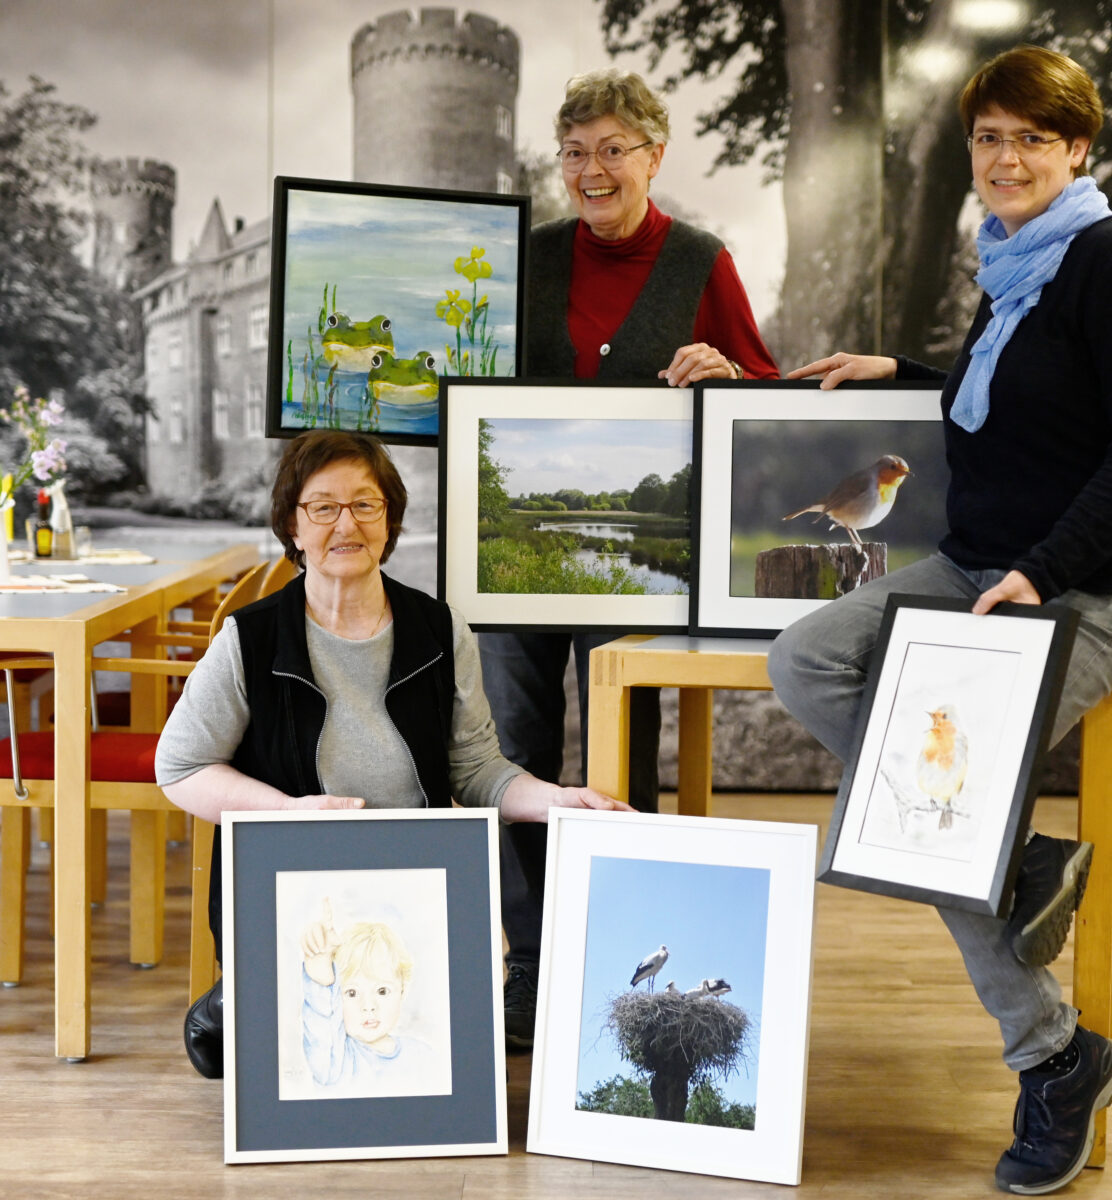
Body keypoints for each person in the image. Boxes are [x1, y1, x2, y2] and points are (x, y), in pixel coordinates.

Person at [769, 45, 1112, 1195]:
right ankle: (1016, 862)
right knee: (806, 654)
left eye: (1031, 140)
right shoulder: (1013, 263)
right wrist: (903, 364)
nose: (1006, 159)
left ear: (1077, 150)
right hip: (980, 568)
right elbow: (1017, 382)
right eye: (989, 139)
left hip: (1100, 585)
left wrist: (1043, 573)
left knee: (932, 807)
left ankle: (1053, 1058)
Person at [156, 429, 631, 1079]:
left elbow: (477, 770)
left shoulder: (439, 630)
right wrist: (286, 813)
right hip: (301, 890)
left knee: (421, 1058)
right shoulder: (251, 639)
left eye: (365, 505)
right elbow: (179, 768)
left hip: (416, 889)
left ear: (391, 520)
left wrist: (556, 800)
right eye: (323, 507)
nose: (344, 523)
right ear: (292, 526)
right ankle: (237, 995)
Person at [480, 67, 779, 1050]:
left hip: (641, 568)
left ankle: (616, 956)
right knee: (513, 752)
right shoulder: (525, 258)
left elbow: (763, 384)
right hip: (512, 558)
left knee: (620, 751)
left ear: (655, 155)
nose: (593, 170)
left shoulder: (701, 261)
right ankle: (527, 964)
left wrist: (728, 372)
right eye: (575, 153)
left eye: (614, 149)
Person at [301, 913, 435, 1089]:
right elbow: (320, 1027)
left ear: (402, 991)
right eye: (352, 993)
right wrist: (320, 976)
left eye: (381, 991)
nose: (368, 1006)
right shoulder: (333, 1062)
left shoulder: (423, 1057)